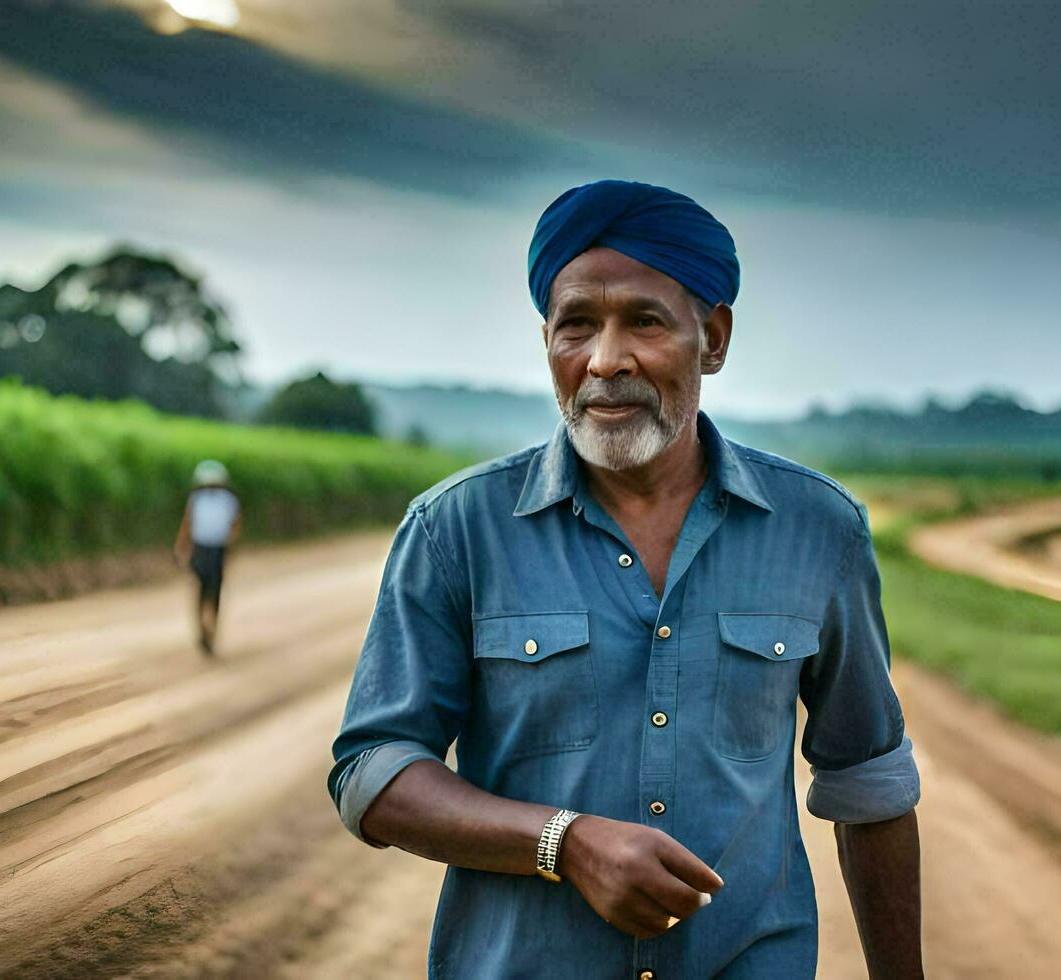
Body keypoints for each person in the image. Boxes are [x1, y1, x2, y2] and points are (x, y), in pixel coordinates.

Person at [328, 179, 923, 978]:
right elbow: (374, 772)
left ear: (712, 338)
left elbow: (869, 785)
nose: (606, 361)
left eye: (644, 321)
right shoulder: (454, 530)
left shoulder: (819, 528)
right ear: (548, 341)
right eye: (577, 326)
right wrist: (563, 844)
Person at [173, 459, 241, 655]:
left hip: (217, 549)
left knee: (215, 589)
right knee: (202, 589)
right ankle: (203, 629)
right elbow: (187, 523)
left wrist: (230, 545)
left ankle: (211, 630)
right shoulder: (197, 499)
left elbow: (235, 525)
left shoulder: (228, 500)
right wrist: (182, 546)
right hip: (201, 549)